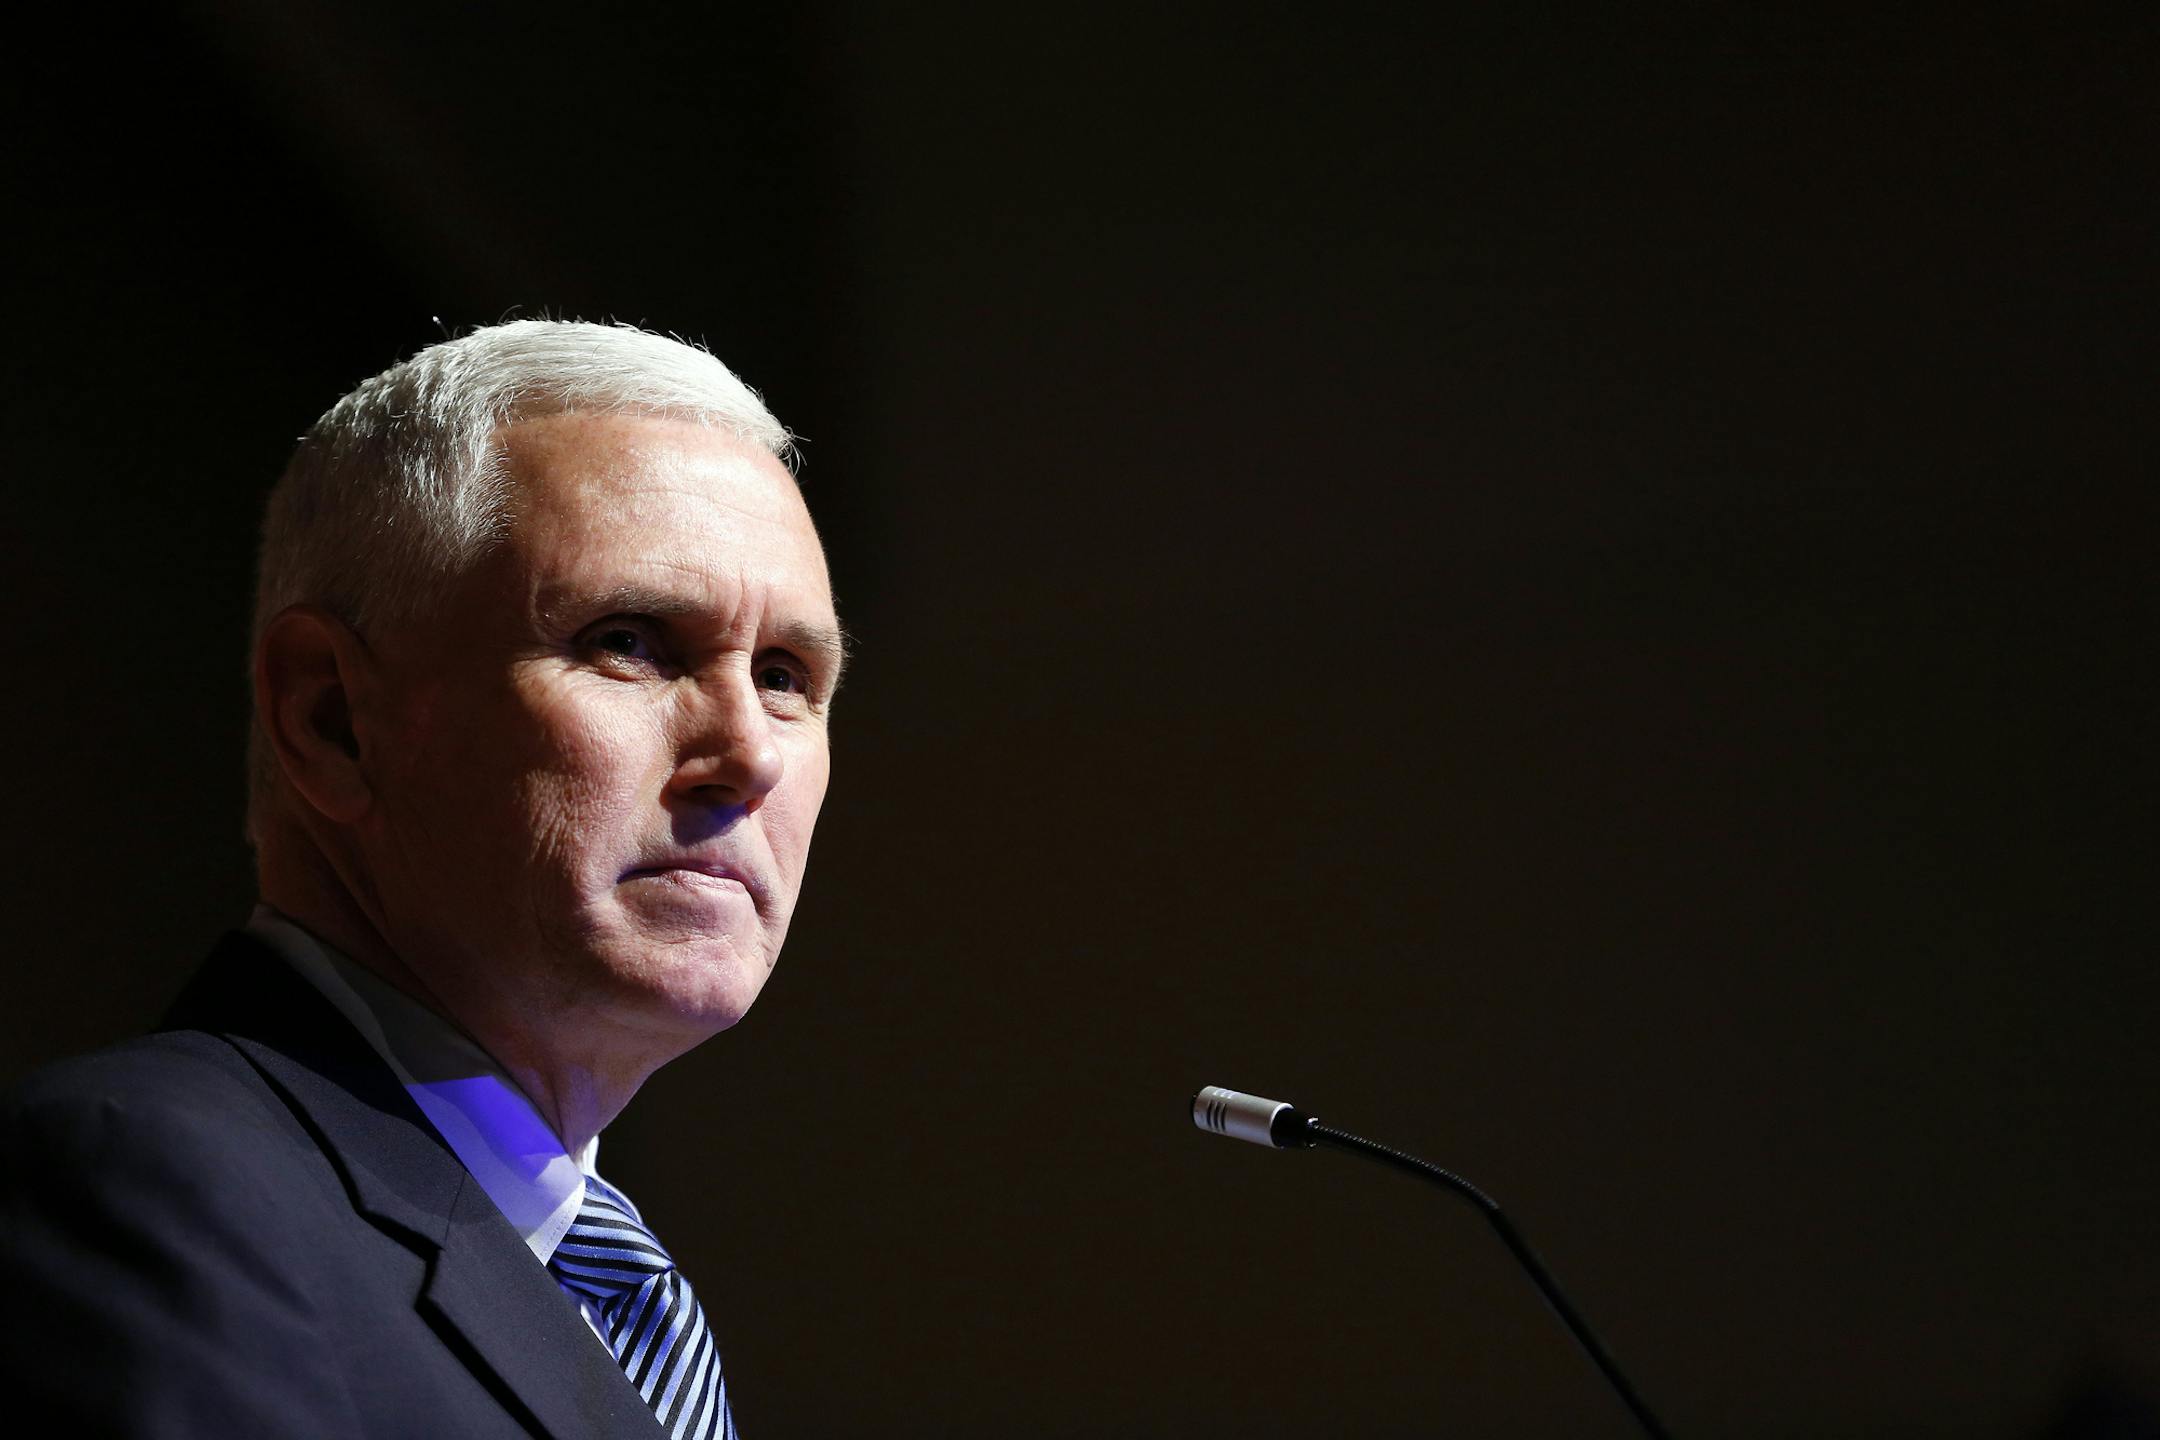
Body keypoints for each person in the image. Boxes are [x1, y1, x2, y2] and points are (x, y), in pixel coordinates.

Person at [0, 320, 845, 1438]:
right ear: (333, 720)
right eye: (632, 642)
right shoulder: (151, 1185)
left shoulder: (596, 1291)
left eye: (785, 675)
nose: (750, 754)